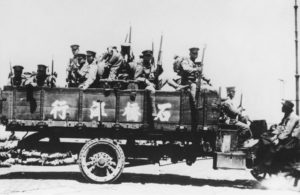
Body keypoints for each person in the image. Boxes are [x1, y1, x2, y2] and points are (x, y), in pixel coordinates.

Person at [249, 100, 300, 175]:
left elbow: (287, 132)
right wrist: (273, 131)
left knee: (272, 147)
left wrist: (275, 139)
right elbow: (280, 127)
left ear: (287, 108)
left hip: (291, 141)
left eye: (283, 106)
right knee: (263, 139)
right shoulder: (287, 115)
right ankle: (262, 164)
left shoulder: (293, 117)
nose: (282, 108)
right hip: (287, 139)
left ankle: (265, 166)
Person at [134, 50, 163, 117]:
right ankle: (153, 111)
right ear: (143, 57)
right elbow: (136, 78)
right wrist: (145, 81)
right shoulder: (140, 65)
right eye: (147, 56)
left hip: (152, 84)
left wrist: (160, 67)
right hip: (143, 86)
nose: (148, 57)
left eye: (150, 56)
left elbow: (155, 74)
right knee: (151, 89)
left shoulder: (150, 65)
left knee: (166, 80)